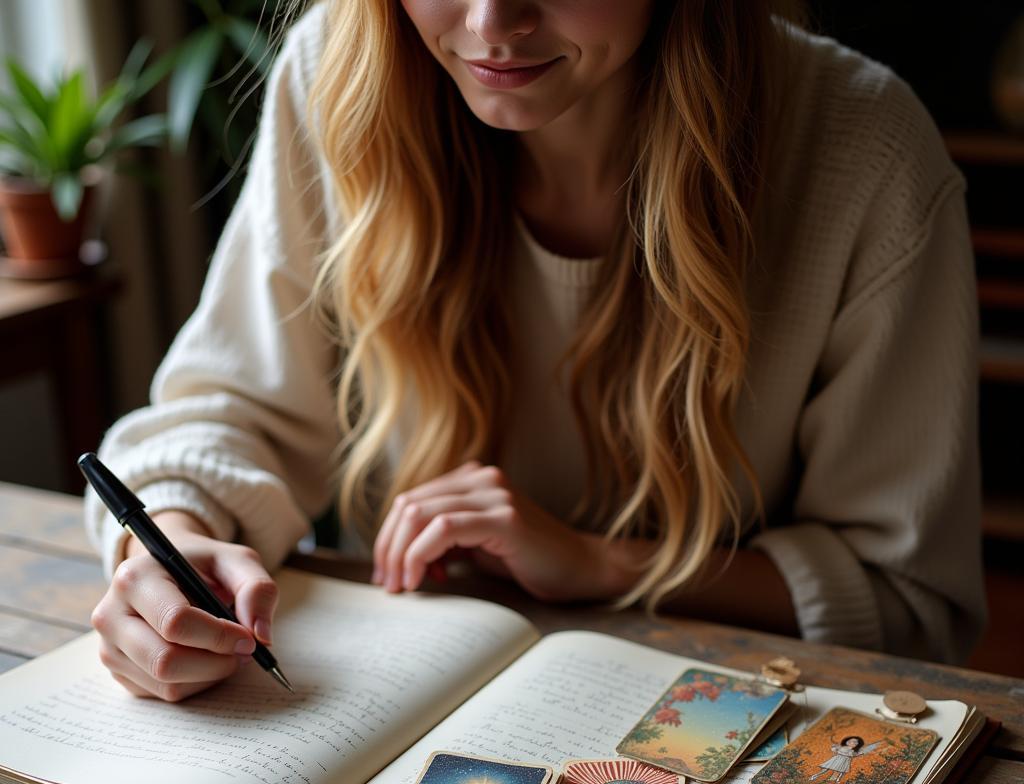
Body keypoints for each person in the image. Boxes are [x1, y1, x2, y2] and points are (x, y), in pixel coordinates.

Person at [85, 0, 986, 703]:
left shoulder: (861, 149)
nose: (490, 27)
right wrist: (173, 544)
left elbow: (904, 601)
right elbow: (230, 413)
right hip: (400, 699)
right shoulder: (341, 71)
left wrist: (599, 563)